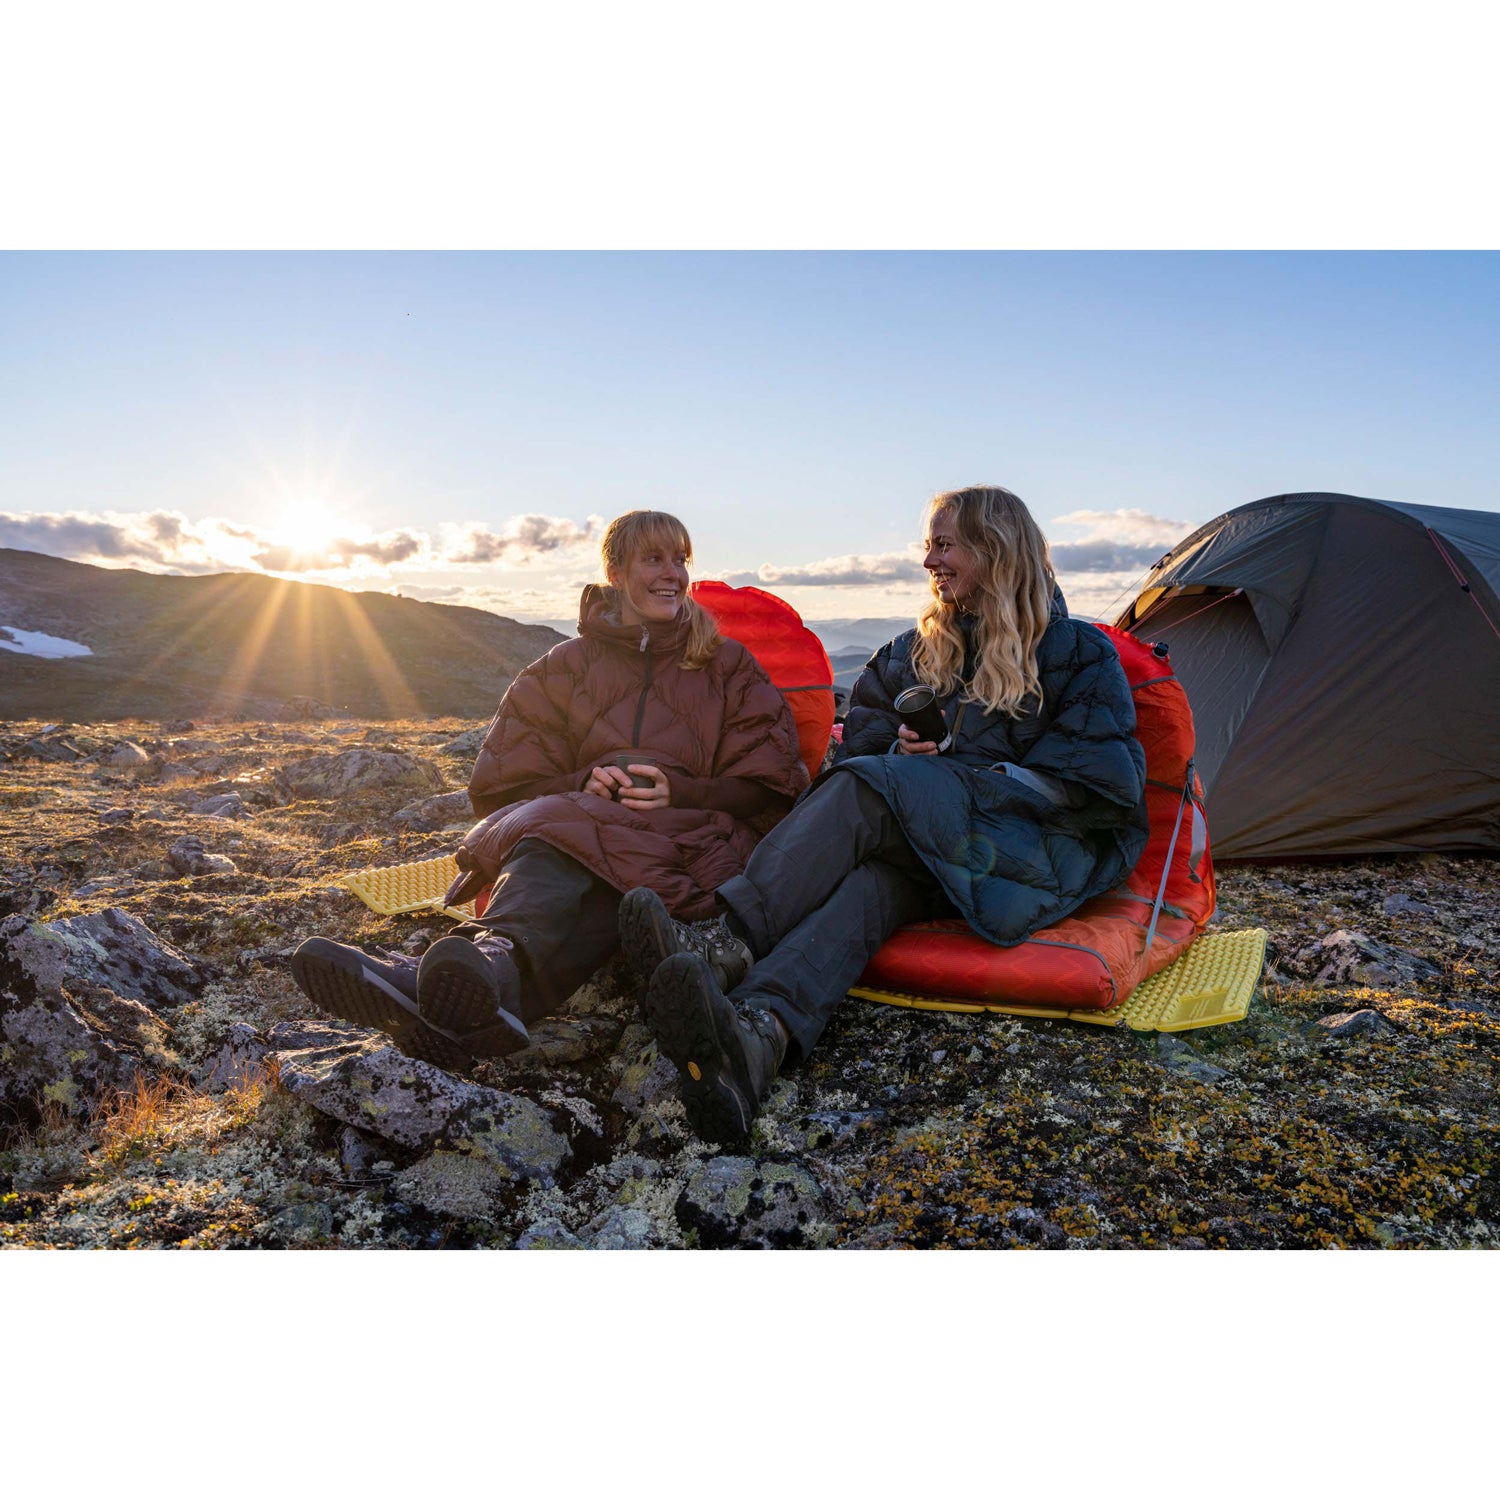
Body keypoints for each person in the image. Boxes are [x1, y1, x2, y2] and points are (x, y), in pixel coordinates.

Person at [620, 485, 1150, 1144]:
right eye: (929, 545)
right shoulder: (911, 651)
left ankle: (727, 941)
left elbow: (1100, 786)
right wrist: (901, 754)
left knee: (869, 790)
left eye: (945, 545)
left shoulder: (1077, 654)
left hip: (1024, 852)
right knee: (874, 885)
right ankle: (756, 1039)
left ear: (995, 549)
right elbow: (860, 744)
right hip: (930, 857)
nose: (929, 561)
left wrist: (962, 779)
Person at [291, 509, 809, 1071]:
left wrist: (681, 792)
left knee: (578, 842)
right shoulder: (563, 668)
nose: (673, 573)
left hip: (692, 840)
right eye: (654, 559)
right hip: (583, 830)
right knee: (574, 840)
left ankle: (465, 967)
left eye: (680, 560)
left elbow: (772, 789)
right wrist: (583, 781)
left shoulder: (727, 665)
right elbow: (503, 788)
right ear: (615, 572)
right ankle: (485, 996)